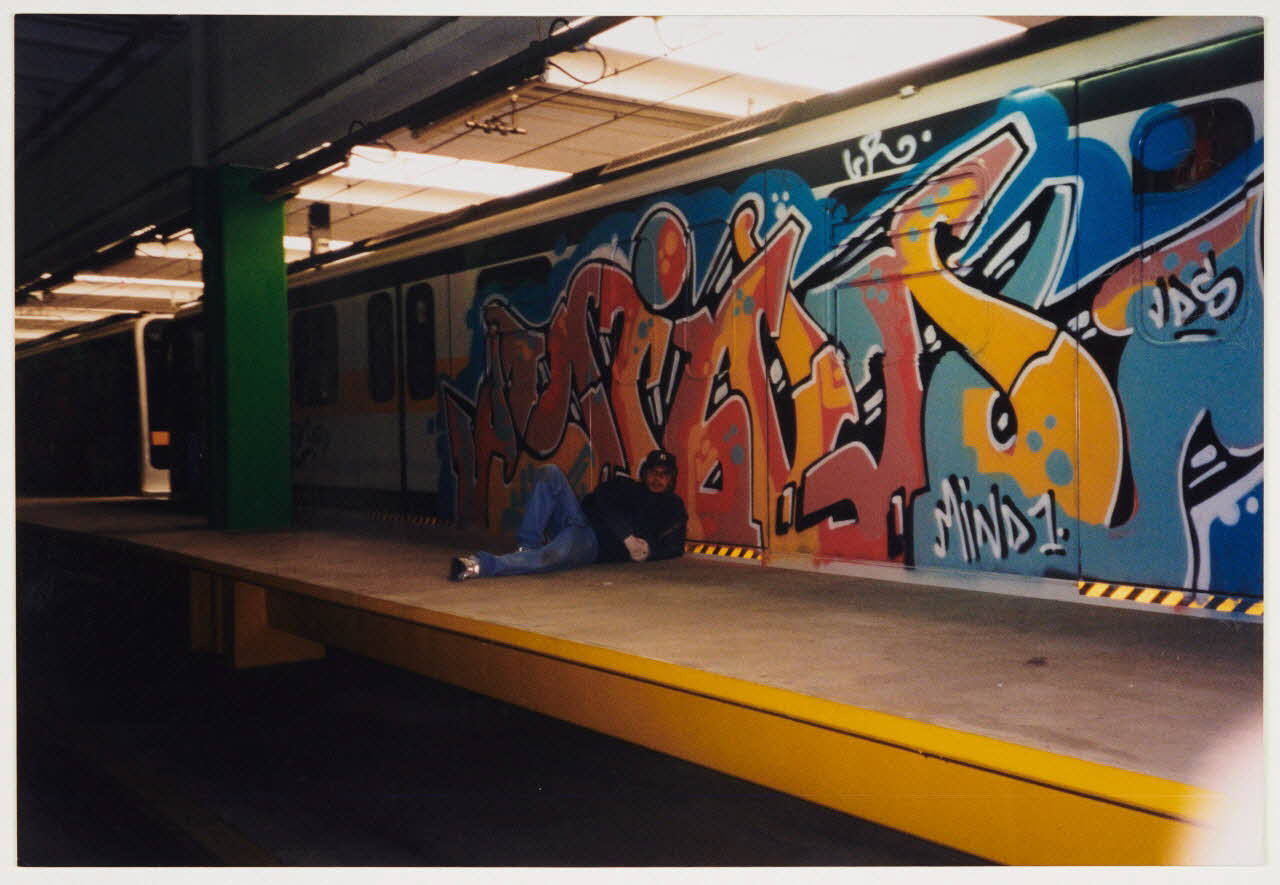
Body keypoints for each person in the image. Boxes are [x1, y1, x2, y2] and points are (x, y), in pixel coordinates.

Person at [449, 449, 687, 581]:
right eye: (653, 472)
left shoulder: (673, 507)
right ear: (644, 474)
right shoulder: (626, 487)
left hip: (591, 544)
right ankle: (526, 547)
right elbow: (600, 500)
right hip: (577, 520)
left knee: (550, 557)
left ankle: (480, 565)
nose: (657, 478)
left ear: (672, 478)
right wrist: (626, 535)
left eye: (664, 474)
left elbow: (675, 546)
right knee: (550, 473)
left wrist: (650, 553)